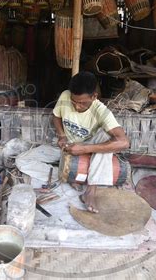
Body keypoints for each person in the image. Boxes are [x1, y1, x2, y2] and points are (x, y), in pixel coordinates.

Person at [53, 71, 130, 213]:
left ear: (94, 96)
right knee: (24, 160)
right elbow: (56, 116)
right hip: (69, 145)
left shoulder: (101, 111)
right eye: (74, 102)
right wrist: (62, 136)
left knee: (107, 137)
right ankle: (77, 173)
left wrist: (84, 149)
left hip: (89, 144)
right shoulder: (65, 95)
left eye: (82, 103)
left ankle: (91, 190)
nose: (77, 107)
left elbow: (124, 142)